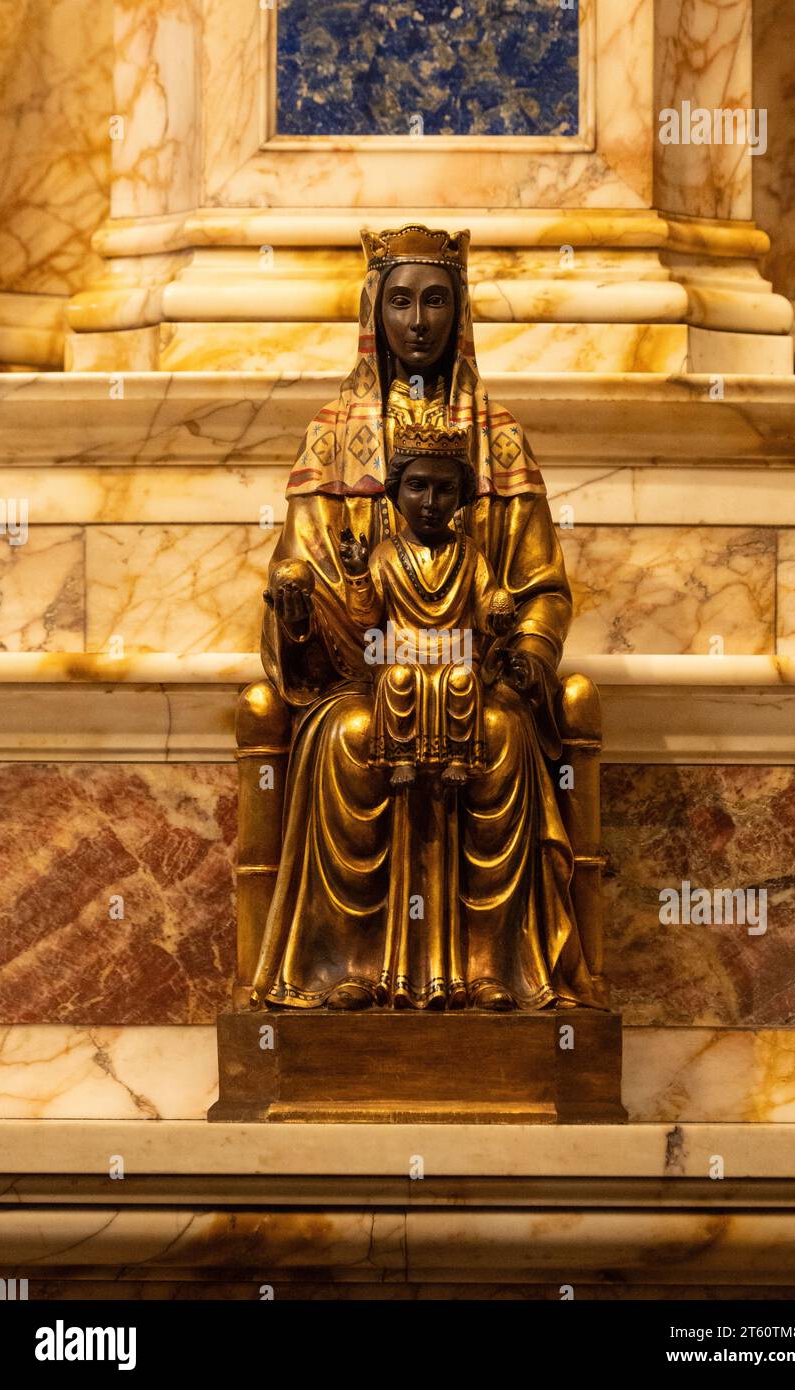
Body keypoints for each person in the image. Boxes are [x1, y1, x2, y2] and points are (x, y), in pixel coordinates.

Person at [250, 223, 603, 1013]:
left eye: (436, 299)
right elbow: (300, 569)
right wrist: (301, 611)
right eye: (401, 300)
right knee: (347, 743)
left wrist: (529, 650)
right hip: (362, 677)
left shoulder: (500, 438)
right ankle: (343, 968)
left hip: (479, 675)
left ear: (460, 308)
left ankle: (496, 970)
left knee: (506, 739)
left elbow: (543, 585)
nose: (418, 320)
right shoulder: (334, 435)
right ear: (375, 309)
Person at [339, 422, 510, 788]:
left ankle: (460, 759)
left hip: (456, 651)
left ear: (462, 496)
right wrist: (357, 575)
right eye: (417, 487)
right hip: (402, 650)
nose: (431, 504)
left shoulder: (470, 554)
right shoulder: (385, 555)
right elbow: (367, 618)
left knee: (464, 680)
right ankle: (400, 757)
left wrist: (498, 609)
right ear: (395, 493)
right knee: (398, 679)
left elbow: (484, 607)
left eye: (445, 489)